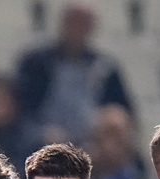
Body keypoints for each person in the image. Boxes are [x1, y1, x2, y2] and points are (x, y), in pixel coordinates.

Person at [15, 3, 134, 147]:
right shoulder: (36, 62)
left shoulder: (105, 66)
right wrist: (43, 132)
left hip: (93, 142)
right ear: (62, 24)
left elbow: (123, 109)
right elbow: (21, 107)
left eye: (84, 24)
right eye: (74, 22)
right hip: (43, 136)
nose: (78, 29)